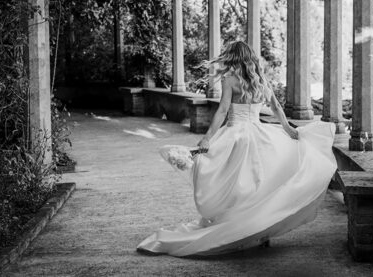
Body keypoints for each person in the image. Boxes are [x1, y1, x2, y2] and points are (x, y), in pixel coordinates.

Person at [137, 41, 337, 256]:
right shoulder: (261, 80)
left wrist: (207, 138)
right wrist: (288, 130)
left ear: (233, 57)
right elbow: (276, 107)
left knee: (233, 182)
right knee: (259, 182)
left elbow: (222, 111)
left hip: (236, 135)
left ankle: (240, 225)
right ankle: (260, 230)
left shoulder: (229, 80)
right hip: (260, 134)